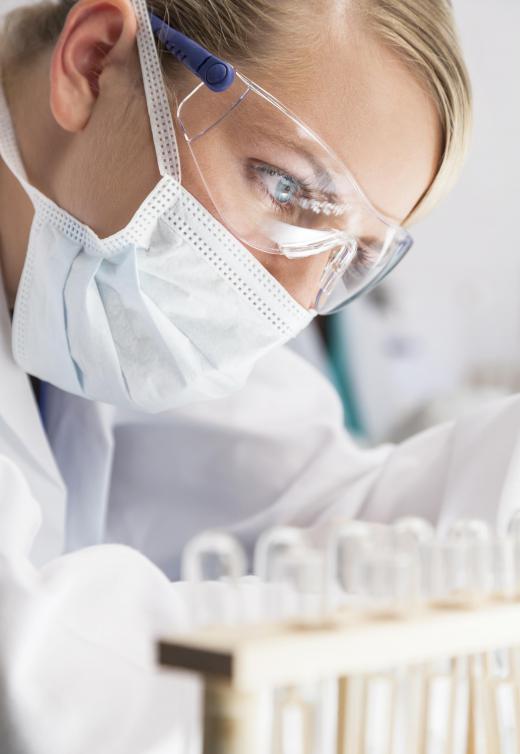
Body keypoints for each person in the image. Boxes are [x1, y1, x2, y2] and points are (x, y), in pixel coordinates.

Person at [1, 0, 519, 751]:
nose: (294, 301)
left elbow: (335, 517)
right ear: (94, 61)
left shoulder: (112, 289)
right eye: (285, 189)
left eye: (348, 255)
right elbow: (37, 682)